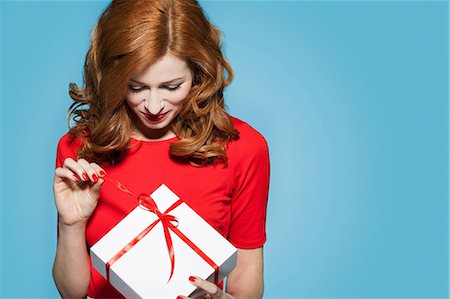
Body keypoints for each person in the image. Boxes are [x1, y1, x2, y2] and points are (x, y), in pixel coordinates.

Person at [52, 0, 270, 298]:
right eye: (136, 87)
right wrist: (70, 224)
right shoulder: (80, 148)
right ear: (112, 78)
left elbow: (247, 271)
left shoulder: (244, 147)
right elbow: (71, 293)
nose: (153, 107)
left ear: (198, 72)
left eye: (171, 86)